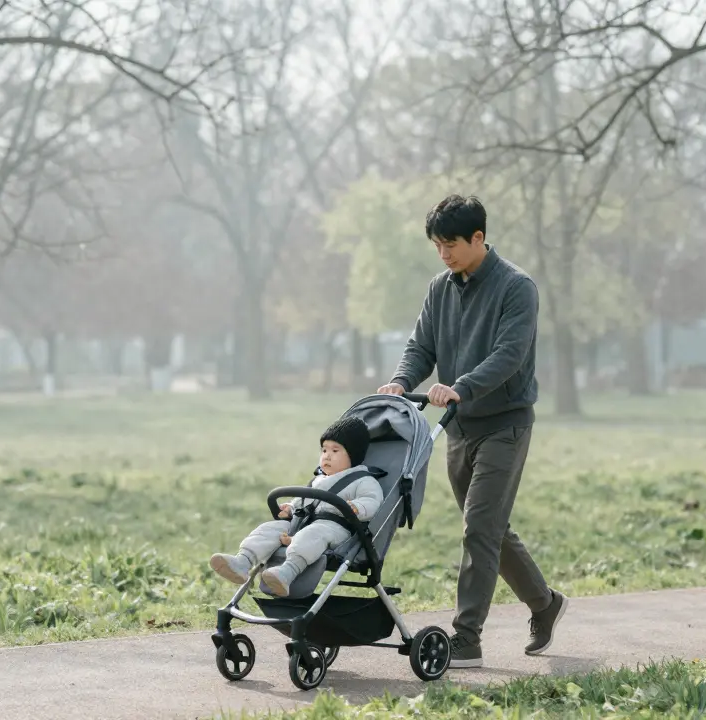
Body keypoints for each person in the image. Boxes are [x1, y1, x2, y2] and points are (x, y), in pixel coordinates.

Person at [377, 194, 567, 669]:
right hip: (459, 427)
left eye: (451, 245)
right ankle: (545, 604)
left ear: (479, 238)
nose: (444, 254)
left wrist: (461, 385)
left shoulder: (517, 287)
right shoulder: (440, 288)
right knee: (491, 529)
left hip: (505, 424)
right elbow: (421, 345)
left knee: (479, 528)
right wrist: (402, 380)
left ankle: (467, 638)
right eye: (437, 246)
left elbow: (510, 354)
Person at [208, 416, 382, 597]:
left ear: (353, 455)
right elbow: (305, 501)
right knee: (271, 528)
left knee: (313, 534)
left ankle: (286, 572)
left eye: (335, 450)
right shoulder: (319, 480)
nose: (327, 455)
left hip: (335, 530)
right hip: (302, 524)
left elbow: (372, 501)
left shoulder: (363, 480)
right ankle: (242, 561)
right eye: (324, 450)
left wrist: (357, 507)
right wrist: (291, 508)